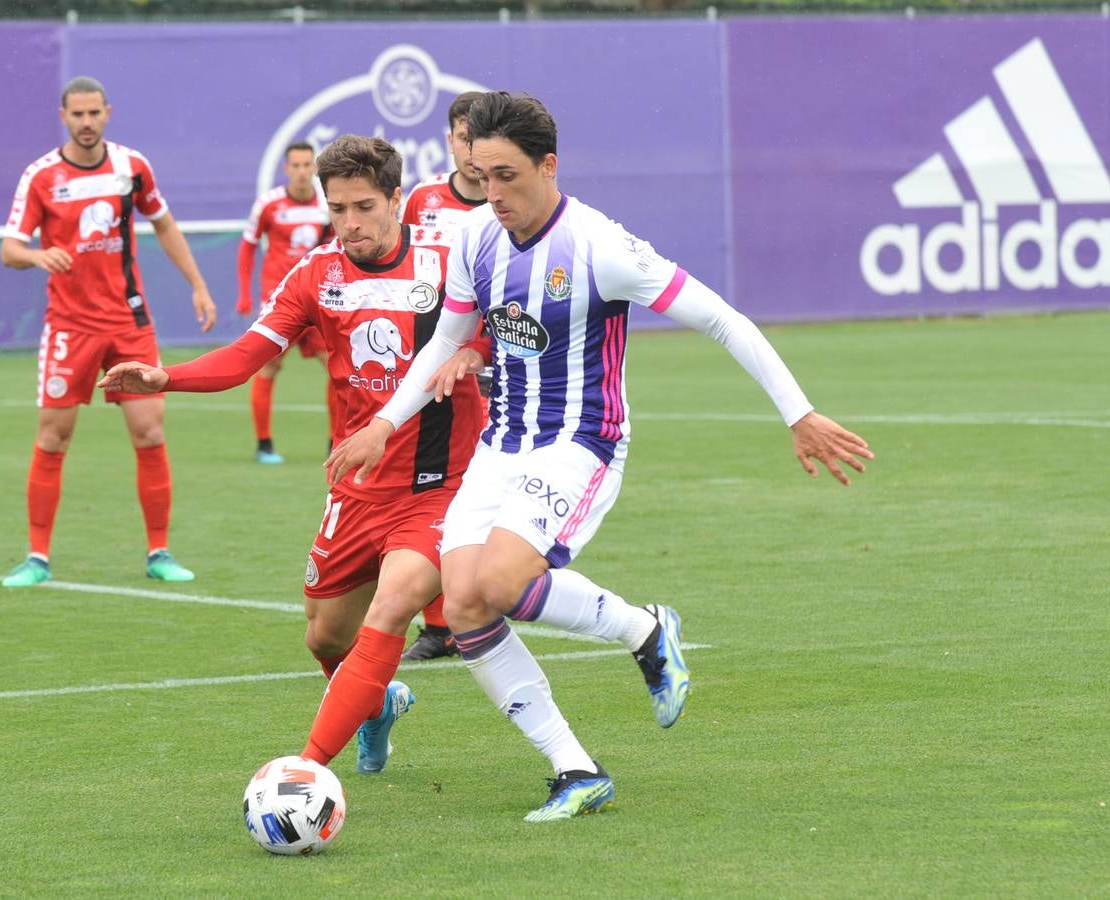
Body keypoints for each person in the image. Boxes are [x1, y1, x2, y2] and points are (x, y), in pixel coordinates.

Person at [325, 92, 874, 822]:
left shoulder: (600, 247)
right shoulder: (474, 239)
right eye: (482, 176)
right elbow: (446, 341)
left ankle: (646, 629)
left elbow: (722, 318)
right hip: (502, 444)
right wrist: (385, 424)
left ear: (549, 166)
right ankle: (574, 768)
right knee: (461, 606)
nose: (494, 194)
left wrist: (798, 412)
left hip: (579, 444)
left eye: (508, 176)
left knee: (501, 579)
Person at [100, 135, 489, 774]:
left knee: (392, 607)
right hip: (358, 484)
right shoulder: (316, 273)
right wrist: (166, 376)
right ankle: (375, 705)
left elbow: (508, 332)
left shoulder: (450, 265)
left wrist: (475, 353)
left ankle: (306, 771)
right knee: (325, 636)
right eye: (338, 210)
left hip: (438, 484)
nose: (351, 223)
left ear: (398, 199)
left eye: (364, 206)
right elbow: (247, 356)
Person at [0, 75, 216, 588]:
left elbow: (163, 223)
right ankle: (37, 557)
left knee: (150, 431)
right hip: (69, 327)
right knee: (53, 438)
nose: (87, 122)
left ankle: (159, 551)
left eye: (95, 113)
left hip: (128, 322)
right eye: (77, 114)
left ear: (108, 113)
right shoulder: (41, 176)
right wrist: (35, 254)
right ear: (63, 117)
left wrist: (197, 284)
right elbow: (9, 249)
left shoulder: (131, 167)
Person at [397, 91, 489, 662]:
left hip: (495, 359)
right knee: (433, 482)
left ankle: (470, 608)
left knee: (473, 485)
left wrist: (480, 348)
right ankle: (443, 622)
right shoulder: (424, 201)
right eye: (462, 137)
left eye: (480, 138)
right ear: (450, 140)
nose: (471, 150)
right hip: (431, 362)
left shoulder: (507, 206)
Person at [236, 142, 339, 463]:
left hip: (317, 297)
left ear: (315, 168)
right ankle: (264, 444)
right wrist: (245, 294)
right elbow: (248, 247)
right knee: (269, 366)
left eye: (307, 165)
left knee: (337, 367)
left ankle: (335, 442)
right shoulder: (268, 204)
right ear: (286, 169)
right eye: (295, 165)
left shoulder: (327, 205)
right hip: (280, 300)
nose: (301, 171)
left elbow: (333, 247)